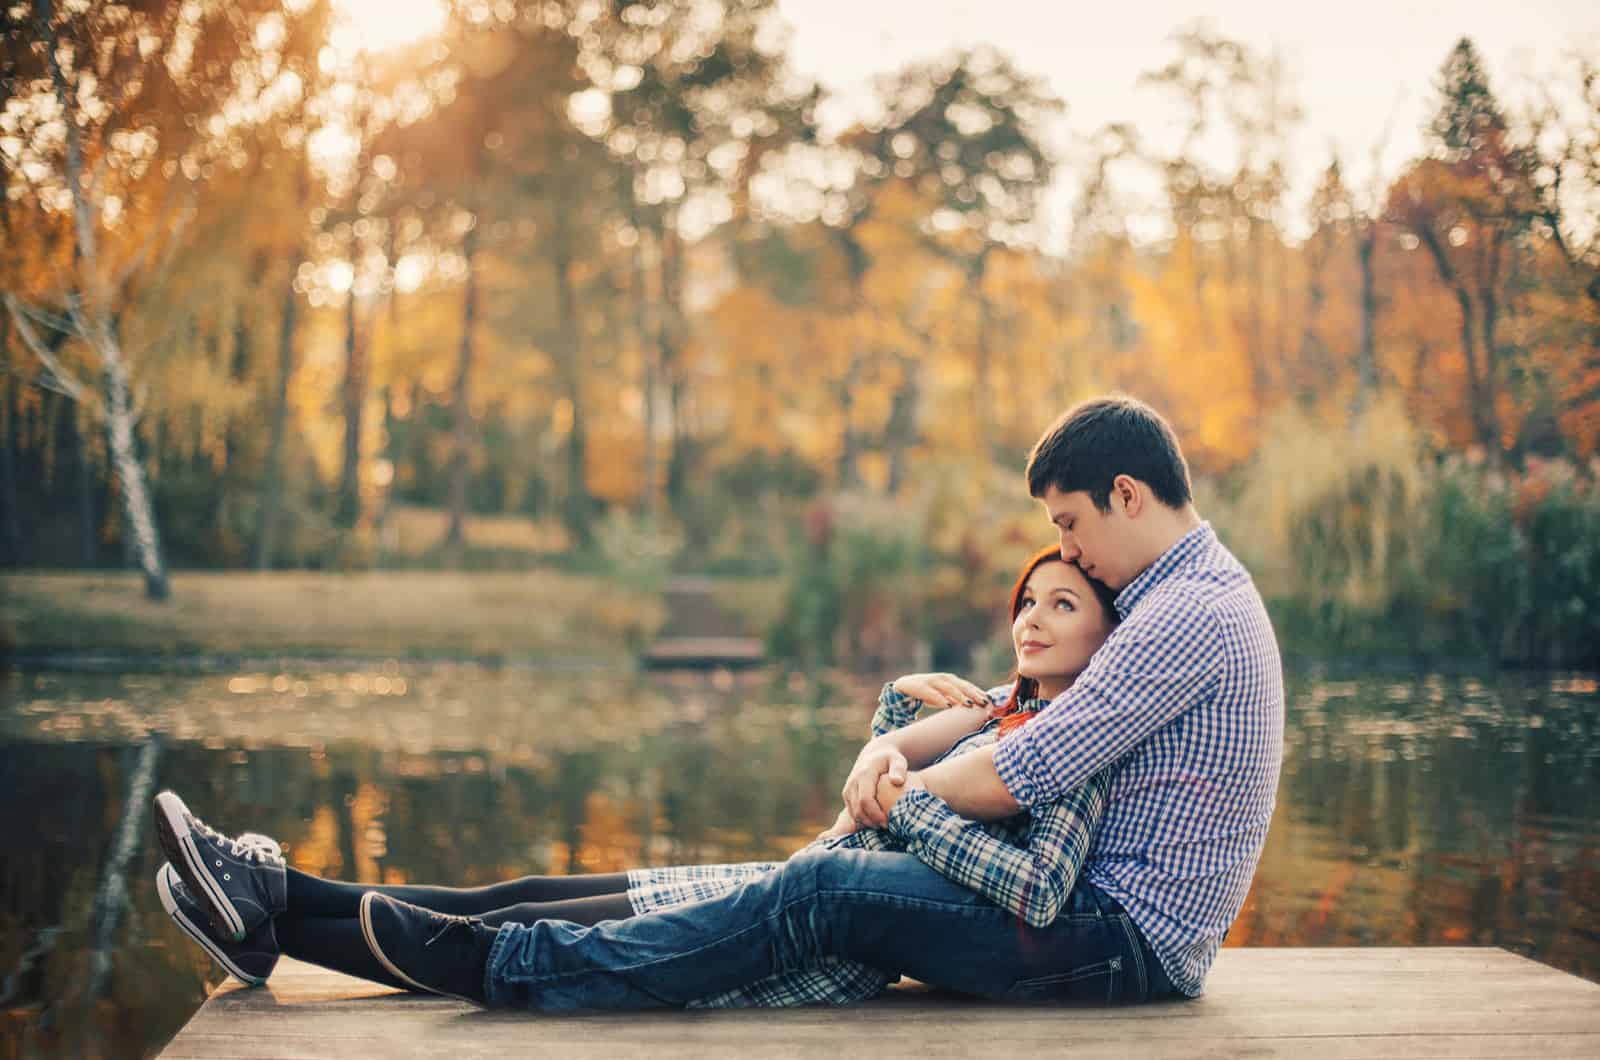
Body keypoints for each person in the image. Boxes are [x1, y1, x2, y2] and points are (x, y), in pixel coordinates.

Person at [154, 547, 1125, 1006]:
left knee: (517, 932)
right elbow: (863, 807)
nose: (1032, 618)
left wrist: (910, 801)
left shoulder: (1073, 741)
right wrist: (895, 719)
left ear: (1108, 637)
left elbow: (1029, 883)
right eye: (1026, 600)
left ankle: (270, 910)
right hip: (789, 881)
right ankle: (273, 902)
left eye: (1063, 605)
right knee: (526, 894)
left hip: (819, 941)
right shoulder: (994, 709)